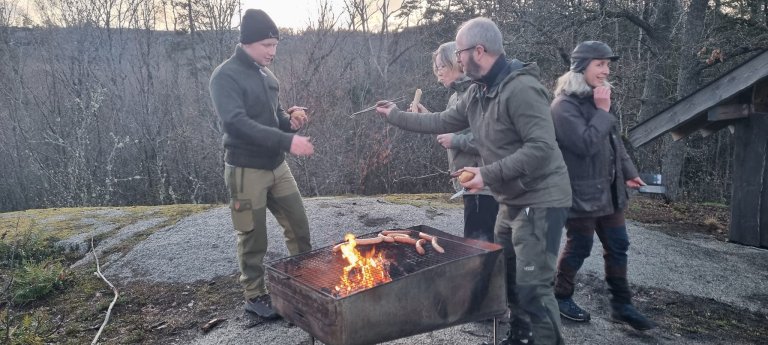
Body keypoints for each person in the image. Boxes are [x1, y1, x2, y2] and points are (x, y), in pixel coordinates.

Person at [376, 17, 572, 345]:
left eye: (462, 51)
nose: (458, 58)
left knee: (532, 283)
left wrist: (486, 174)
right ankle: (521, 335)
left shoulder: (521, 89)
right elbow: (442, 120)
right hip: (511, 199)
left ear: (478, 51)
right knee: (506, 272)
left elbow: (541, 149)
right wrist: (395, 115)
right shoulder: (478, 91)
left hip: (541, 199)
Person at [208, 8, 314, 320]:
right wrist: (287, 141)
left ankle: (303, 285)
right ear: (247, 43)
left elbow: (276, 117)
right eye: (267, 45)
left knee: (299, 227)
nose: (273, 52)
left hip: (277, 167)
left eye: (276, 45)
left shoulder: (268, 76)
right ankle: (254, 296)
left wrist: (291, 124)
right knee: (252, 237)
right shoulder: (224, 76)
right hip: (244, 171)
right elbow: (236, 123)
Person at [550, 40, 656, 331]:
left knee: (619, 245)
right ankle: (561, 296)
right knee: (580, 246)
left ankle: (622, 306)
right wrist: (603, 109)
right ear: (581, 67)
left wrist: (629, 172)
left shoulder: (599, 100)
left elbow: (614, 144)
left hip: (610, 192)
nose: (606, 70)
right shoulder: (563, 106)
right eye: (600, 64)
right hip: (581, 193)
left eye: (608, 64)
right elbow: (584, 144)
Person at [409, 41, 498, 242]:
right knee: (478, 244)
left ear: (457, 62)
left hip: (484, 186)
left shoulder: (477, 92)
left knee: (479, 247)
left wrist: (456, 140)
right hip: (468, 183)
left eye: (442, 66)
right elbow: (449, 129)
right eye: (436, 68)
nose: (438, 72)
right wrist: (426, 117)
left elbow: (493, 139)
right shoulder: (455, 97)